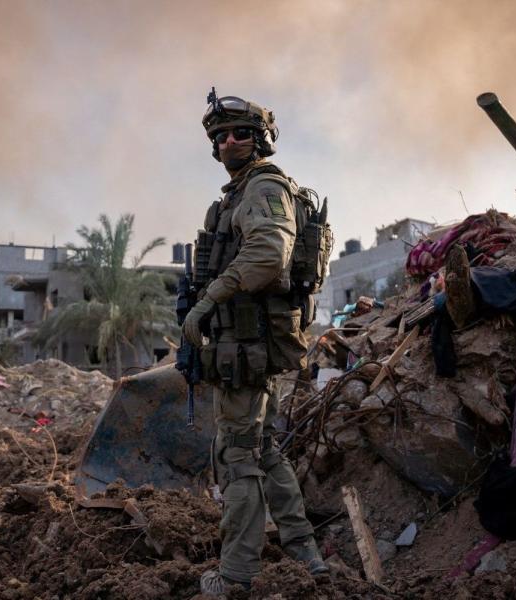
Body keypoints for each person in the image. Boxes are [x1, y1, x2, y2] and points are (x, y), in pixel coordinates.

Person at [182, 91, 328, 594]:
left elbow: (269, 254)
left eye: (240, 132)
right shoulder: (238, 194)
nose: (228, 142)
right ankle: (307, 554)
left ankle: (236, 577)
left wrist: (208, 300)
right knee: (263, 448)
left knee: (237, 456)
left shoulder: (263, 187)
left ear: (262, 138)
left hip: (248, 345)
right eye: (219, 136)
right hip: (243, 346)